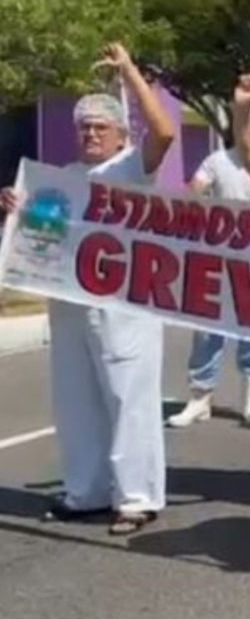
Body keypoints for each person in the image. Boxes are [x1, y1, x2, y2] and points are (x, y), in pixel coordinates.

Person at [1, 43, 175, 535]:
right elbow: (42, 237)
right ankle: (88, 491)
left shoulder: (129, 170)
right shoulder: (63, 178)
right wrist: (17, 210)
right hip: (71, 305)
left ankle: (136, 497)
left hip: (124, 306)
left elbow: (163, 133)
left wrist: (129, 73)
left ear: (121, 134)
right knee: (76, 402)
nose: (92, 133)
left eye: (102, 126)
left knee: (128, 399)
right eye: (85, 126)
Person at [168, 87, 250, 429]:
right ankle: (200, 398)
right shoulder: (218, 161)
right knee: (206, 331)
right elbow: (193, 193)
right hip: (215, 260)